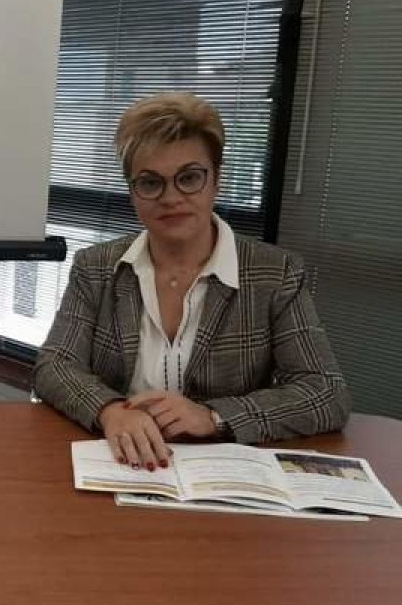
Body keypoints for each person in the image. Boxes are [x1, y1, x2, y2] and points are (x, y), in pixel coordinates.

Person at [35, 92, 350, 469]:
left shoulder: (275, 273)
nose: (171, 197)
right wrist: (110, 410)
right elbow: (54, 365)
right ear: (133, 193)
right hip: (121, 463)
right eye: (150, 183)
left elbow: (325, 392)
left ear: (216, 181)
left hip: (222, 471)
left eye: (189, 178)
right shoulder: (97, 266)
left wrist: (214, 416)